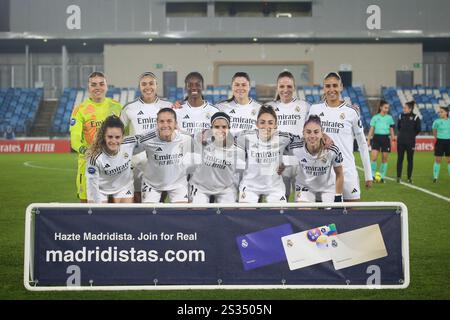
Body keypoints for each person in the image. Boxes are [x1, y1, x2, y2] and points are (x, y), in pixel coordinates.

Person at [308, 72, 372, 202]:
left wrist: (368, 175)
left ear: (341, 87)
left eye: (335, 85)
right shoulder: (314, 109)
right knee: (322, 217)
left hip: (347, 170)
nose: (331, 89)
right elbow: (307, 137)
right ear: (323, 88)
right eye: (328, 86)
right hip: (322, 171)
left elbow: (362, 143)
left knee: (352, 214)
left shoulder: (351, 112)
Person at [70, 71, 122, 203]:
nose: (97, 87)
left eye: (101, 84)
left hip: (112, 164)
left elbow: (125, 135)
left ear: (106, 86)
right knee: (87, 205)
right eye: (94, 85)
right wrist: (88, 152)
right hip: (88, 165)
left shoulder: (116, 106)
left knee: (113, 206)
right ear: (89, 88)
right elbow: (75, 140)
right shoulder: (80, 109)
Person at [120, 72, 172, 202]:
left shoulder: (168, 106)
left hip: (162, 161)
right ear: (139, 86)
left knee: (158, 201)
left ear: (156, 85)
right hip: (137, 162)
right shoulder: (129, 108)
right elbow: (118, 132)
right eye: (144, 84)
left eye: (151, 83)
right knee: (138, 202)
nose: (147, 87)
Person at [236, 105, 293, 203]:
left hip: (274, 187)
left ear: (276, 124)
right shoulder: (245, 136)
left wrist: (285, 163)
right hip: (250, 186)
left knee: (280, 214)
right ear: (256, 124)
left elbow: (304, 143)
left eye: (270, 123)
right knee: (246, 215)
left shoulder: (285, 137)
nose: (266, 126)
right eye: (262, 122)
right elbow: (225, 141)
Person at [267, 71, 311, 199]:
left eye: (289, 86)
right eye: (282, 86)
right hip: (278, 164)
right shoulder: (269, 107)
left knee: (303, 204)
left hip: (301, 164)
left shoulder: (305, 106)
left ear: (294, 88)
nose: (285, 90)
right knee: (280, 203)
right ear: (277, 88)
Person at [137, 108, 194, 203]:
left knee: (181, 214)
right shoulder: (146, 139)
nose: (165, 125)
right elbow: (127, 147)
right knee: (149, 214)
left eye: (169, 121)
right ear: (157, 123)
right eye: (161, 121)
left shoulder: (186, 138)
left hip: (178, 184)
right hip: (152, 184)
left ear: (175, 124)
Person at [189, 112, 245, 203]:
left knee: (227, 212)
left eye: (224, 127)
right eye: (216, 127)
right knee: (198, 211)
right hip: (200, 187)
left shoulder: (238, 151)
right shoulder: (200, 141)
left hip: (225, 188)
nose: (220, 130)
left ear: (229, 128)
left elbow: (243, 174)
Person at [289, 115, 344, 203]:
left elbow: (339, 173)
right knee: (304, 213)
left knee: (331, 215)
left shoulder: (332, 150)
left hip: (327, 189)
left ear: (322, 133)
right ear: (303, 133)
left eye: (316, 132)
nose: (312, 136)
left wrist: (338, 196)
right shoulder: (295, 148)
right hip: (304, 188)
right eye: (308, 132)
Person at [86, 115, 137, 203]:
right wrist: (98, 207)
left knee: (126, 215)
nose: (113, 141)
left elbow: (148, 137)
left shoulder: (129, 144)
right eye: (110, 137)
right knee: (99, 215)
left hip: (123, 186)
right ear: (104, 136)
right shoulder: (95, 157)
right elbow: (92, 184)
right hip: (99, 189)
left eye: (117, 137)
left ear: (123, 136)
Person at [215, 72, 261, 136]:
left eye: (244, 85)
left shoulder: (260, 109)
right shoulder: (220, 108)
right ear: (232, 87)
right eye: (237, 85)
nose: (240, 88)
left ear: (249, 87)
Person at [367, 100, 396, 183]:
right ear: (381, 108)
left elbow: (391, 129)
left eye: (388, 108)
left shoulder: (389, 118)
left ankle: (382, 177)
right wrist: (368, 140)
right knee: (374, 157)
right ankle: (372, 175)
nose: (387, 109)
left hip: (386, 139)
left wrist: (393, 138)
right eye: (385, 108)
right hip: (376, 138)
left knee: (384, 159)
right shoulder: (375, 117)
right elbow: (371, 129)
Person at [396, 100, 421, 183]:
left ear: (410, 109)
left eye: (405, 108)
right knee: (400, 159)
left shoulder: (416, 117)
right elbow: (398, 127)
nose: (404, 109)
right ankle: (398, 177)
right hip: (400, 142)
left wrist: (410, 135)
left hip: (410, 142)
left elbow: (418, 130)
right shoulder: (401, 116)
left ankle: (409, 177)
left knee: (410, 160)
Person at [432, 106, 450, 183]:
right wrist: (437, 138)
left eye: (441, 112)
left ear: (446, 112)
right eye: (439, 112)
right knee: (438, 160)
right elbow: (434, 131)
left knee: (449, 160)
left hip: (449, 142)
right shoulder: (436, 121)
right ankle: (435, 177)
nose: (440, 113)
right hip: (440, 142)